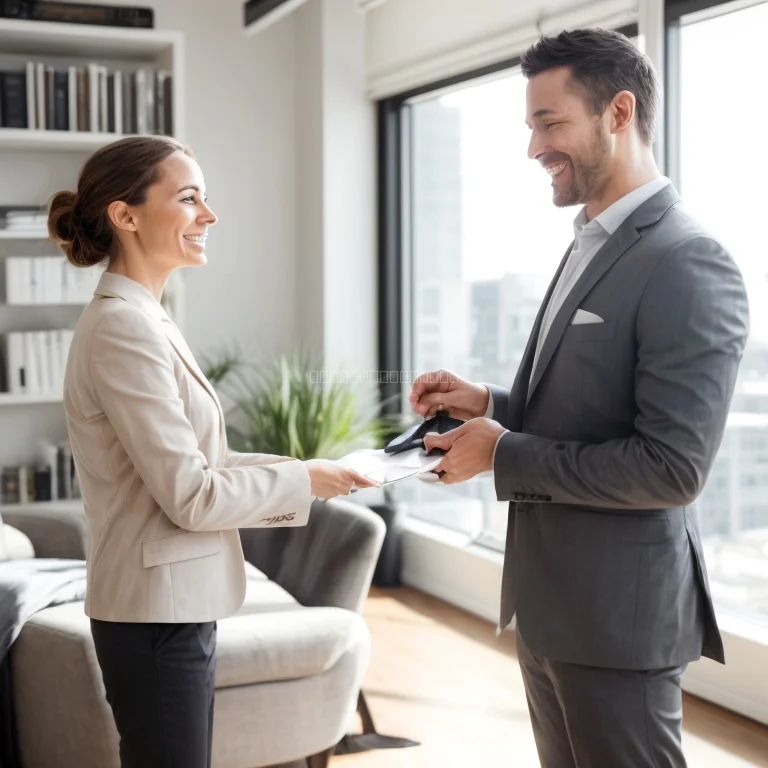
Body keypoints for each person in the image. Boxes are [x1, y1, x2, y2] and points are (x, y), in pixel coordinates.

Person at [410, 28, 749, 768]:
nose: (533, 148)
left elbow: (670, 469)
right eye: (531, 125)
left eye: (549, 122)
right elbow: (586, 412)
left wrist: (504, 453)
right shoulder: (586, 240)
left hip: (616, 618)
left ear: (618, 113)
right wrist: (487, 402)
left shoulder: (689, 260)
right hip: (550, 608)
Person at [47, 135, 377, 768]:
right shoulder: (124, 326)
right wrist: (305, 479)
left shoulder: (148, 318)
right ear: (126, 215)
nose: (210, 215)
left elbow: (199, 464)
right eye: (190, 197)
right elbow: (193, 496)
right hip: (154, 617)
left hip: (169, 606)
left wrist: (310, 473)